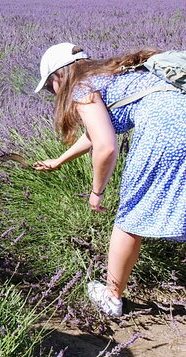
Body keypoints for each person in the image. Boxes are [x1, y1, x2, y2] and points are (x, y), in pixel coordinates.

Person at [33, 42, 186, 316]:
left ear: (60, 75)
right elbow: (96, 132)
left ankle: (111, 298)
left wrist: (97, 191)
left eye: (49, 86)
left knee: (130, 217)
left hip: (166, 131)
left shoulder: (81, 87)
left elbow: (105, 146)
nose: (51, 92)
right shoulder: (109, 72)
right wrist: (59, 160)